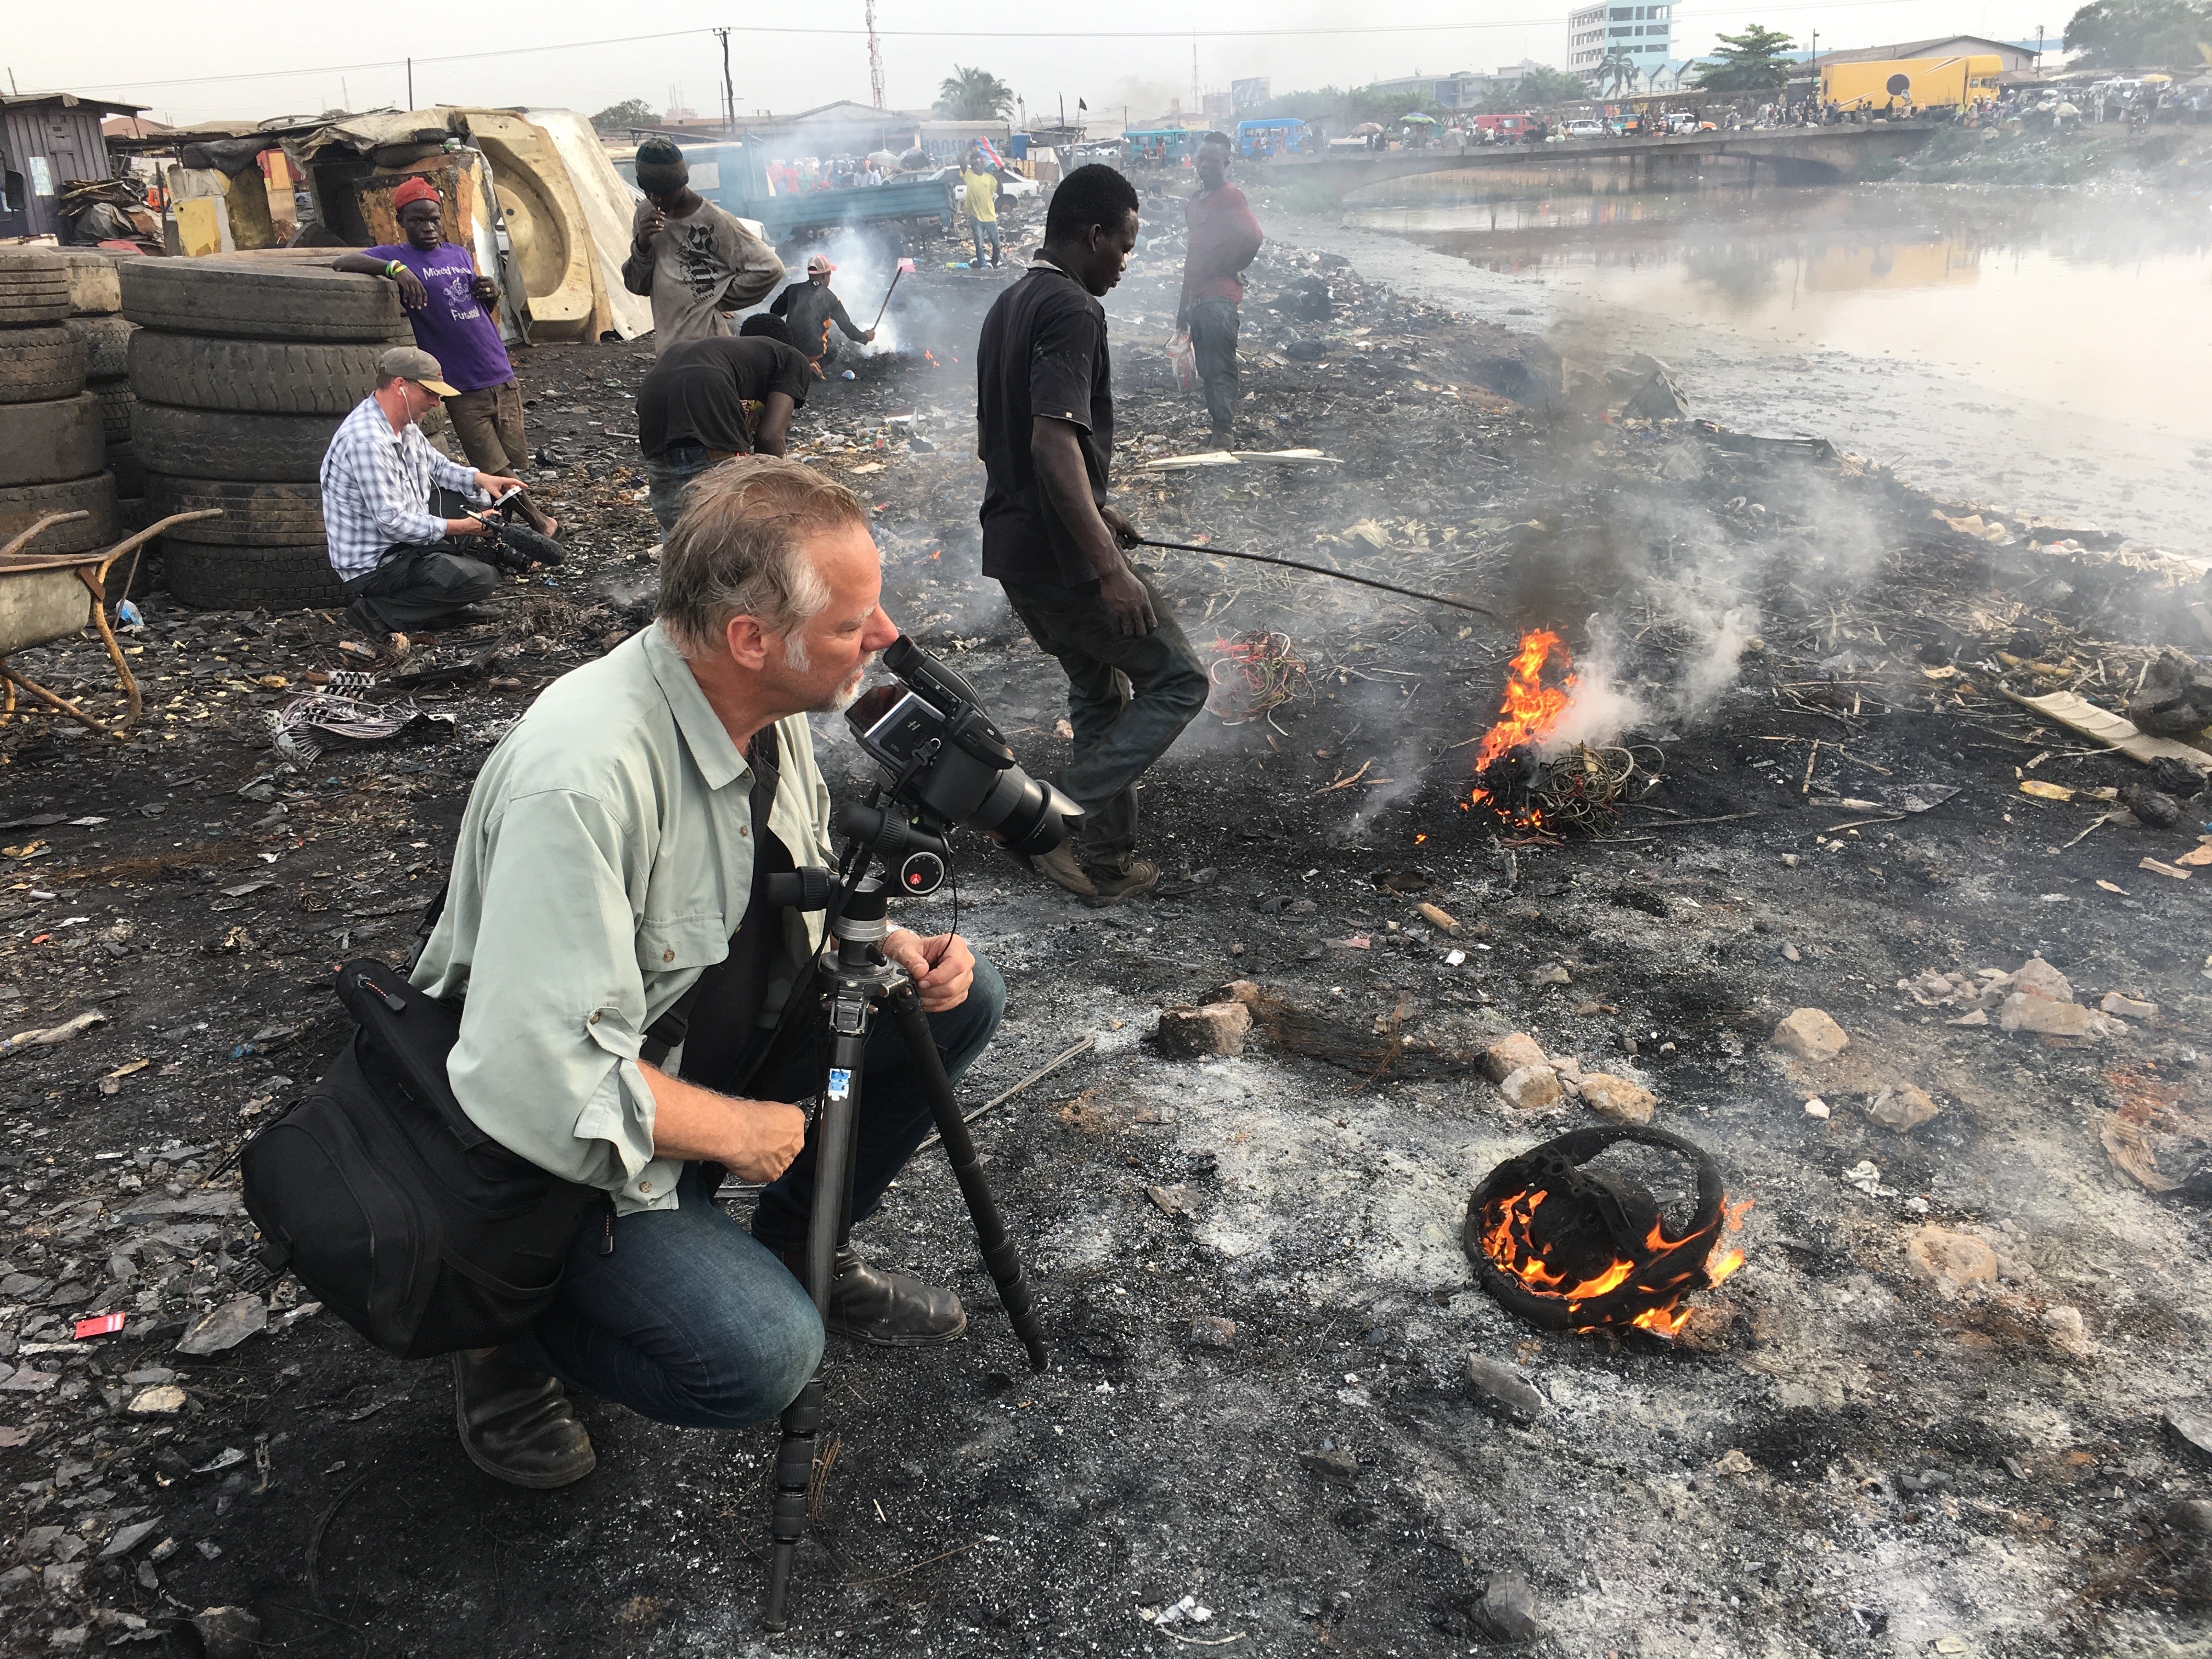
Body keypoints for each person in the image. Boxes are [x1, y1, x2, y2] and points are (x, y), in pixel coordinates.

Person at [411, 456, 996, 1487]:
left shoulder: (754, 708)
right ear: (749, 637)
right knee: (760, 1359)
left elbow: (788, 880)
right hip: (560, 1151)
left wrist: (884, 939)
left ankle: (806, 1248)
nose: (882, 638)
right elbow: (535, 1075)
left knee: (952, 1004)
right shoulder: (584, 778)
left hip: (702, 1046)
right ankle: (501, 1329)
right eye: (853, 621)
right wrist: (734, 1129)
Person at [974, 165, 1207, 905]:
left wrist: (1097, 509)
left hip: (1015, 548)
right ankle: (1051, 818)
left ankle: (1105, 859)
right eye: (1125, 246)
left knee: (1097, 689)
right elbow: (1049, 443)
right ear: (1094, 234)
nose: (1126, 263)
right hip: (1061, 563)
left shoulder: (1009, 303)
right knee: (1179, 679)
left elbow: (1001, 445)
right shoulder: (1073, 308)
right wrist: (1109, 566)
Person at [335, 177, 558, 538]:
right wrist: (395, 270)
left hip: (499, 372)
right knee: (491, 463)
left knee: (512, 461)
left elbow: (472, 307)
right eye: (417, 220)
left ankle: (509, 531)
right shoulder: (397, 256)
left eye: (433, 219)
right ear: (401, 222)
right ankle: (542, 523)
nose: (427, 228)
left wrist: (491, 294)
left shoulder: (457, 254)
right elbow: (342, 262)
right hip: (461, 383)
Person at [319, 345, 531, 645]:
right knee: (481, 578)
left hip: (399, 544)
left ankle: (432, 610)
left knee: (469, 514)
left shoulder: (403, 423)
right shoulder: (367, 442)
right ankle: (377, 612)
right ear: (400, 386)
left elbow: (435, 465)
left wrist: (482, 480)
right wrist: (463, 527)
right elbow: (393, 523)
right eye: (429, 393)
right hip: (376, 563)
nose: (436, 402)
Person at [622, 137, 785, 355]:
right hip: (668, 348)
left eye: (663, 192)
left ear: (681, 183)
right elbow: (637, 285)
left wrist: (715, 297)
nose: (655, 199)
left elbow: (770, 268)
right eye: (648, 191)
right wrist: (642, 246)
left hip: (709, 347)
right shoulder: (646, 213)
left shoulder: (715, 221)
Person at [635, 333, 815, 531]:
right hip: (708, 392)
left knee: (678, 530)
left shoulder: (729, 352)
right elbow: (769, 437)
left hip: (652, 401)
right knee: (727, 529)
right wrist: (782, 498)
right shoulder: (794, 358)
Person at [1173, 133, 1265, 447]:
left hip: (1220, 298)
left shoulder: (1231, 197)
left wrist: (1230, 267)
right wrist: (1182, 307)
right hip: (1198, 299)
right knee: (1207, 369)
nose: (1205, 166)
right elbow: (1192, 256)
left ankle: (1224, 432)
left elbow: (1253, 236)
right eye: (1201, 159)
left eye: (1213, 160)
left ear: (1226, 163)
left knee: (1220, 365)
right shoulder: (1194, 203)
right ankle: (1218, 428)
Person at [769, 253, 876, 368]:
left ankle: (800, 365)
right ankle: (811, 367)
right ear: (825, 276)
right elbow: (848, 329)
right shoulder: (832, 298)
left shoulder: (792, 289)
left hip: (790, 348)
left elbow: (774, 312)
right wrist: (865, 337)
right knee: (833, 351)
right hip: (813, 352)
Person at [961, 151, 1002, 268]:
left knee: (996, 244)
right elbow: (961, 159)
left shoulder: (989, 178)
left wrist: (998, 179)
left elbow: (1000, 192)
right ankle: (982, 265)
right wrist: (968, 148)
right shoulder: (969, 175)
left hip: (990, 216)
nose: (976, 166)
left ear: (982, 164)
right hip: (976, 217)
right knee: (979, 244)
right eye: (973, 164)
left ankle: (995, 263)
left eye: (978, 164)